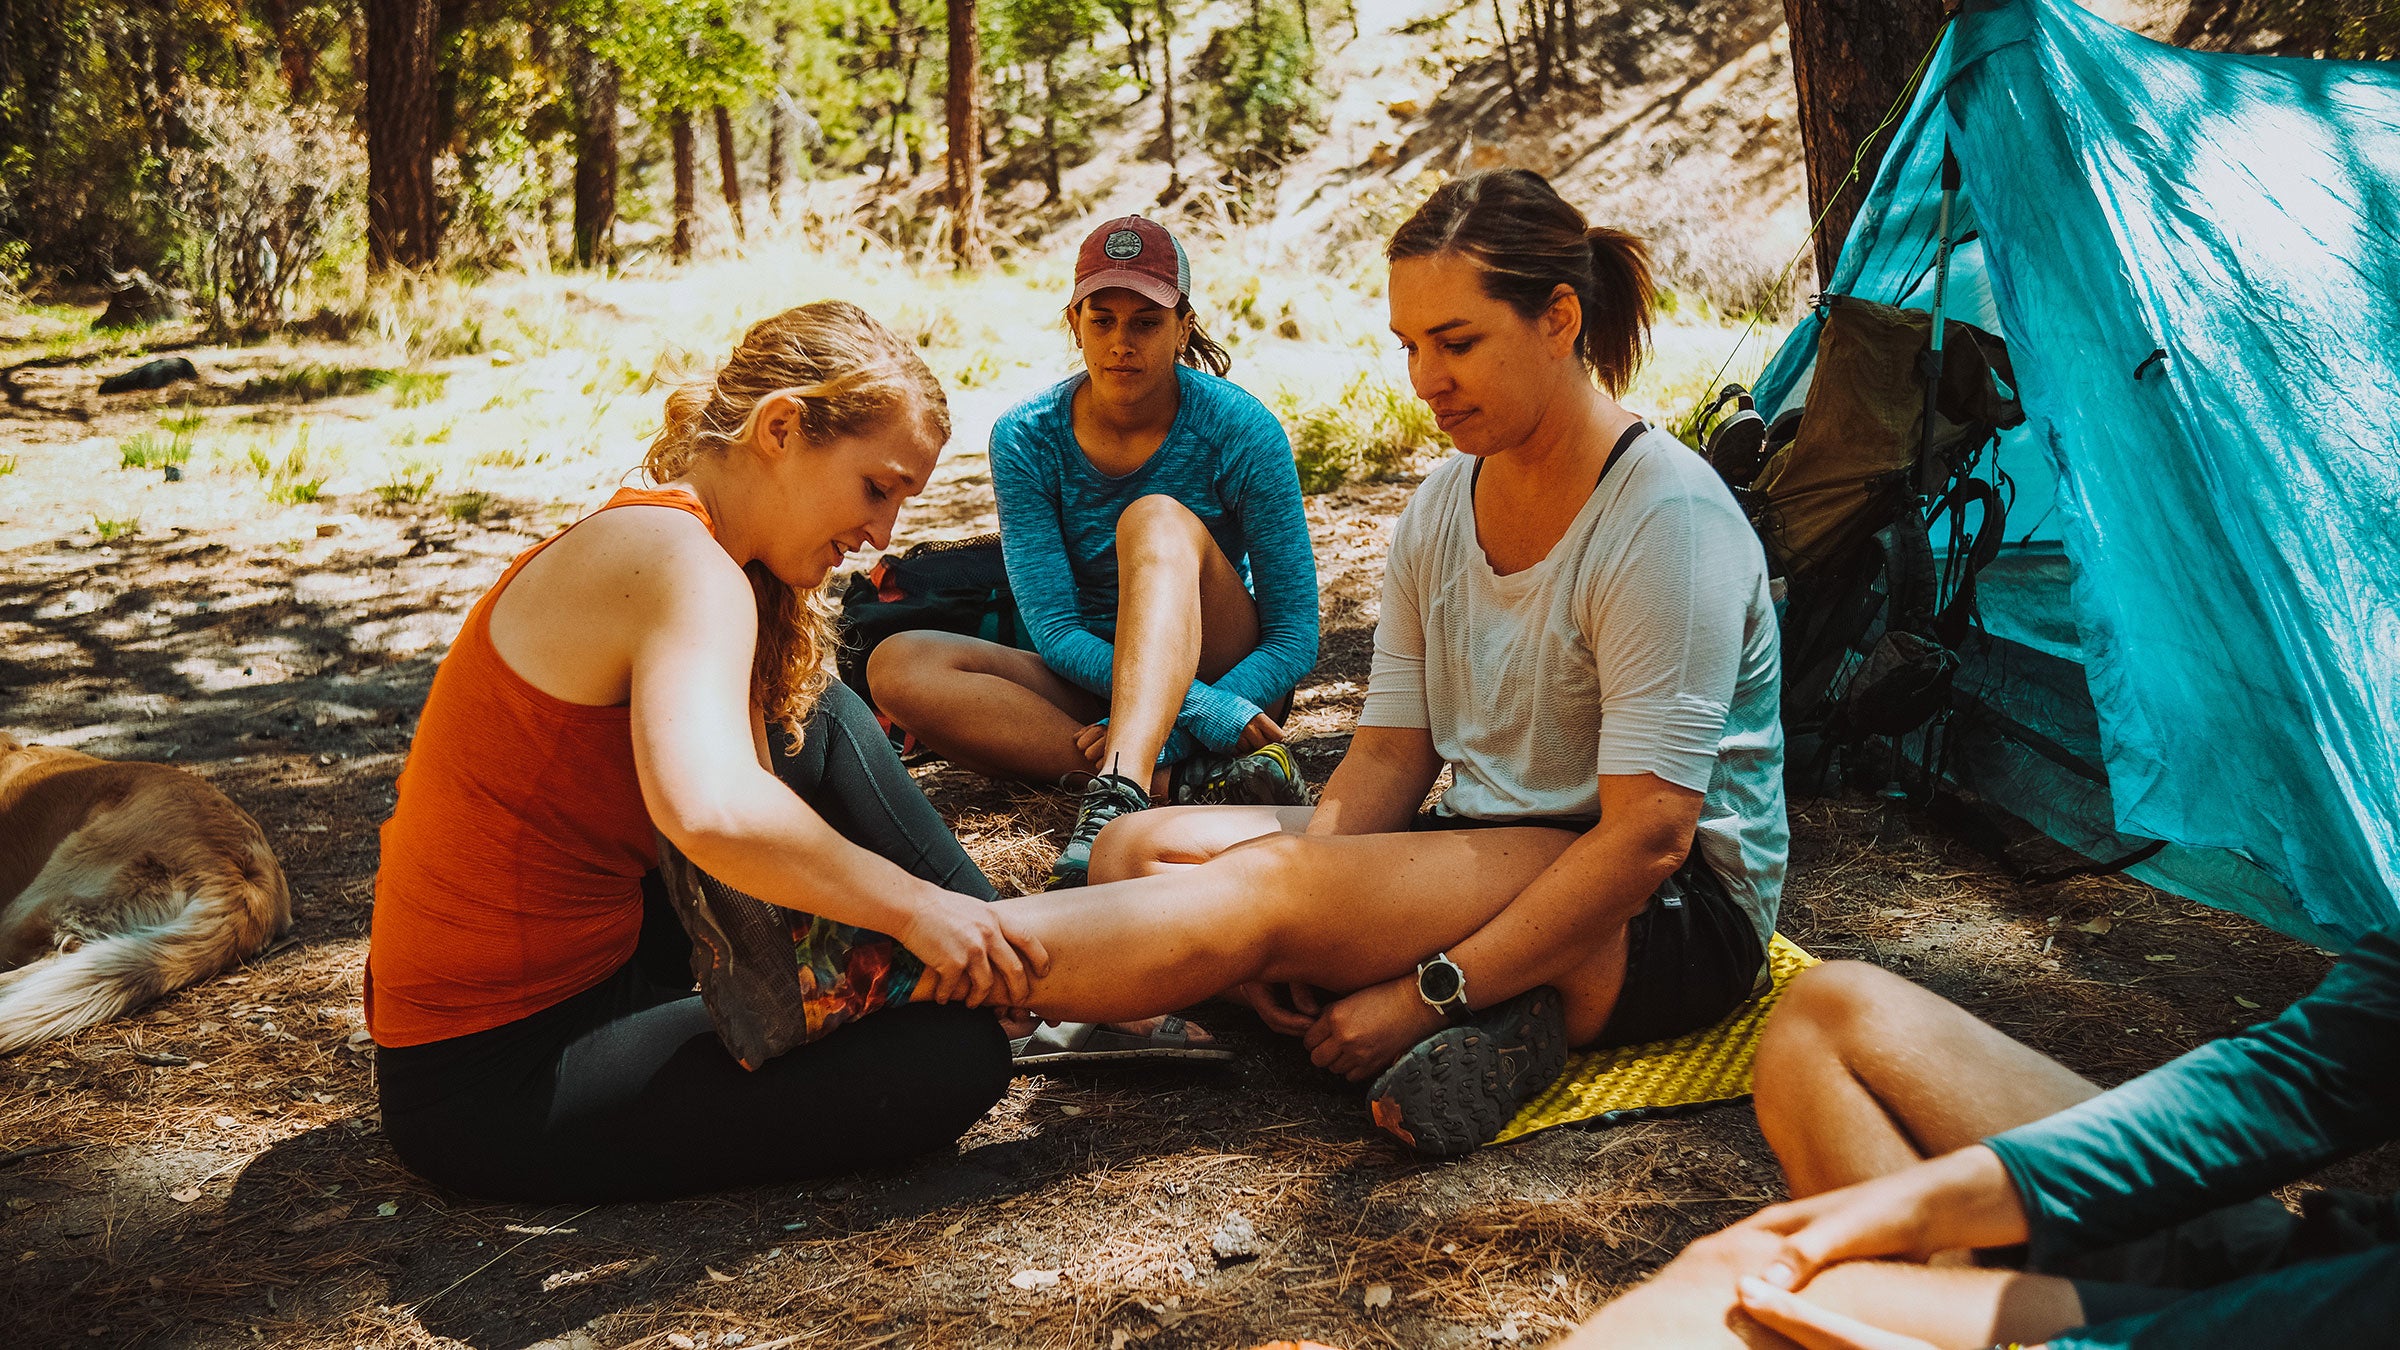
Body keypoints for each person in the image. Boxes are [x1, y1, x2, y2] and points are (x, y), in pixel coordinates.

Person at [977, 169, 1789, 1155]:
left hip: (1663, 909)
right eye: (1410, 345)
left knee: (1267, 897)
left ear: (1558, 319)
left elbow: (1649, 838)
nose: (1424, 378)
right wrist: (1325, 891)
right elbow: (1392, 756)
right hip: (1487, 842)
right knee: (1131, 852)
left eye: (1456, 343)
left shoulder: (1668, 518)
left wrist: (1419, 987)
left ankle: (938, 972)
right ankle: (1505, 1012)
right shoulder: (1444, 507)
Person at [367, 301, 1039, 1203]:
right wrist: (915, 912)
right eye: (877, 489)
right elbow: (712, 808)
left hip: (598, 956)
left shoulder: (679, 539)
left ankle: (1008, 952)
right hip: (489, 1075)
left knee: (819, 711)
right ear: (782, 428)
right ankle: (1018, 962)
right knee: (953, 1056)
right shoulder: (678, 564)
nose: (883, 535)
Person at [1558, 933, 2400, 1348]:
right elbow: (2305, 1075)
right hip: (2341, 1264)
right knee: (1833, 1015)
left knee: (1735, 1291)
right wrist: (1925, 1209)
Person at [868, 215, 1319, 893]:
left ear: (1183, 329)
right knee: (898, 664)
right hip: (1100, 682)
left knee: (1156, 519)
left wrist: (1206, 702)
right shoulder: (1026, 436)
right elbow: (1052, 629)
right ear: (1073, 322)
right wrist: (1174, 712)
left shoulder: (1239, 428)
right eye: (1101, 320)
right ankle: (1176, 780)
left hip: (1230, 676)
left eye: (1145, 322)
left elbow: (1293, 635)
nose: (1120, 343)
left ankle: (1117, 796)